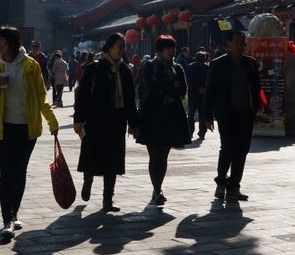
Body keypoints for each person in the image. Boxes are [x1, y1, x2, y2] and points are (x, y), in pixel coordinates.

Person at [0, 26, 59, 240]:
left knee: (19, 172)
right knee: (5, 172)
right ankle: (6, 220)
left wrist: (52, 121)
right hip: (2, 128)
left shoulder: (31, 65)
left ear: (12, 42)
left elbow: (41, 96)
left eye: (2, 41)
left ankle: (14, 212)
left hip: (27, 128)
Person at [73, 33, 139, 212]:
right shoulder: (95, 68)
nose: (121, 49)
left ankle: (107, 199)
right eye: (119, 46)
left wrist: (134, 123)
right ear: (108, 47)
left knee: (113, 160)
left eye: (123, 46)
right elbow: (84, 96)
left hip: (117, 121)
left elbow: (130, 98)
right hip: (96, 120)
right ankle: (88, 181)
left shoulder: (125, 70)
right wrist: (79, 119)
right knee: (92, 155)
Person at [204, 31, 261, 202]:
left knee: (242, 151)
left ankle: (234, 187)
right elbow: (210, 92)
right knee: (227, 148)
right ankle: (221, 183)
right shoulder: (218, 64)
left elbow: (256, 88)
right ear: (228, 43)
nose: (240, 45)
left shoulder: (250, 64)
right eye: (237, 42)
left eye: (242, 42)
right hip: (226, 114)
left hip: (245, 114)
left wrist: (256, 108)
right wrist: (208, 116)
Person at [136, 35, 190, 206]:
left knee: (164, 154)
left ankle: (158, 189)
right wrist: (169, 88)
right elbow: (152, 86)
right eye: (167, 48)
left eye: (172, 47)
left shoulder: (178, 67)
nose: (171, 51)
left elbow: (182, 89)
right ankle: (156, 189)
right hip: (152, 114)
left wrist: (166, 89)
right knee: (154, 154)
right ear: (159, 50)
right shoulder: (149, 66)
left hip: (171, 115)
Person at [185, 51, 210, 140]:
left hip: (193, 94)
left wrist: (195, 88)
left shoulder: (190, 67)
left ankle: (190, 131)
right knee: (202, 114)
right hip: (203, 94)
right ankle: (202, 132)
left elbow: (188, 81)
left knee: (191, 114)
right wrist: (204, 88)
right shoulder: (207, 67)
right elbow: (209, 81)